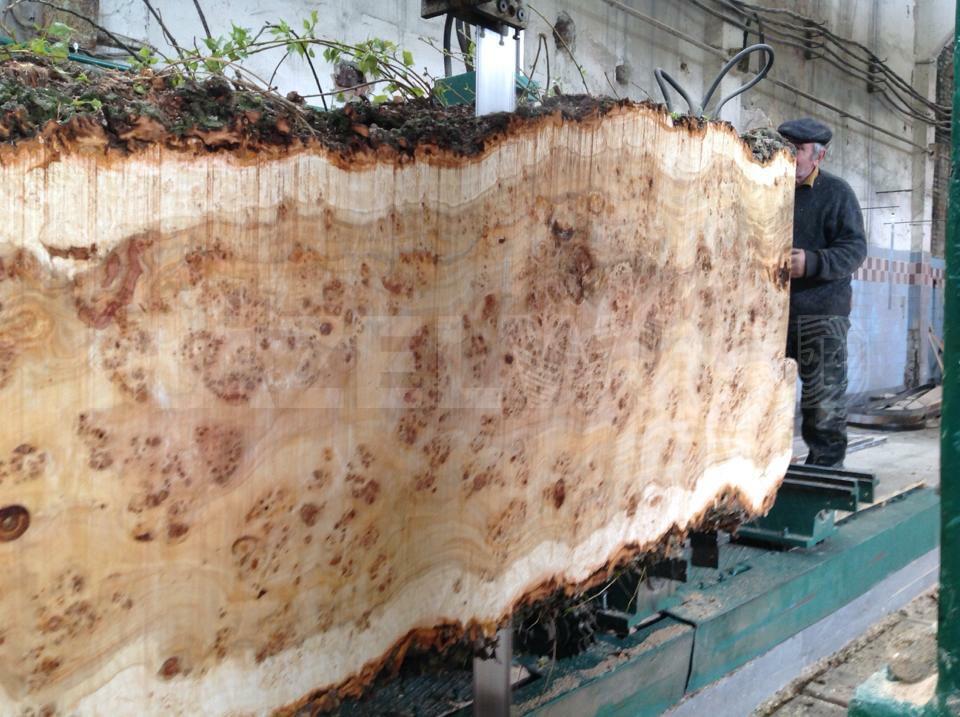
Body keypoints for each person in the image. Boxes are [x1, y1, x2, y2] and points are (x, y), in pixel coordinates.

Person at [777, 118, 867, 467]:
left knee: (823, 403)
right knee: (766, 395)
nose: (789, 155)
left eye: (798, 150)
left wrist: (812, 262)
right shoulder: (769, 186)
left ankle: (826, 474)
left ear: (819, 156)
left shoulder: (837, 193)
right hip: (771, 315)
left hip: (821, 315)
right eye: (786, 146)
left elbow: (855, 250)